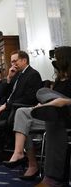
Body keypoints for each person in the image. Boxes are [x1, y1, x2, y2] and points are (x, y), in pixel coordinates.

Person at [31, 46, 71, 187]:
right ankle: (30, 164)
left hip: (67, 113)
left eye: (56, 58)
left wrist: (64, 101)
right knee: (23, 113)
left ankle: (52, 177)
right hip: (57, 112)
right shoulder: (59, 80)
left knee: (53, 121)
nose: (54, 60)